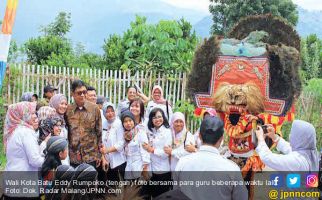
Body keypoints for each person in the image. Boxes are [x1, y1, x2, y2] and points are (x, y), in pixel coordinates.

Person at [174, 116, 248, 200]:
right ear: (221, 139)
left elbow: (176, 193)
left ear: (199, 136)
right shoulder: (232, 169)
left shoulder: (182, 163)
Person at [3, 101, 44, 199]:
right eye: (31, 113)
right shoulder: (26, 132)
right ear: (22, 114)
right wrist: (51, 161)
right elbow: (35, 160)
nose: (35, 116)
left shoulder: (14, 131)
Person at [65, 80, 102, 169]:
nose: (82, 95)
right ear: (72, 94)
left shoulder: (94, 109)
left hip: (91, 156)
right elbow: (67, 132)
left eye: (84, 92)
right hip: (74, 157)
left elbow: (99, 132)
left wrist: (99, 154)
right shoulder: (68, 110)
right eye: (79, 93)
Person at [143, 108, 172, 198]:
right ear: (151, 119)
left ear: (163, 118)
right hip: (152, 171)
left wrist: (152, 150)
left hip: (162, 172)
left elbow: (165, 153)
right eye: (154, 117)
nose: (157, 119)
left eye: (160, 117)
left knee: (161, 197)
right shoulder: (150, 131)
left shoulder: (167, 132)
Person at [100, 102, 126, 182]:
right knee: (110, 187)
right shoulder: (103, 124)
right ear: (104, 113)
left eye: (112, 111)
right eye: (107, 111)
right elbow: (100, 142)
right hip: (107, 161)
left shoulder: (119, 123)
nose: (110, 113)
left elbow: (121, 143)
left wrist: (107, 150)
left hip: (119, 161)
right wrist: (103, 158)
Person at [121, 111, 150, 180]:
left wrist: (145, 167)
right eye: (125, 121)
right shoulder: (124, 135)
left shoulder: (140, 132)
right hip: (129, 167)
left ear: (133, 121)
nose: (128, 123)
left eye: (130, 120)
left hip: (139, 167)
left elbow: (144, 150)